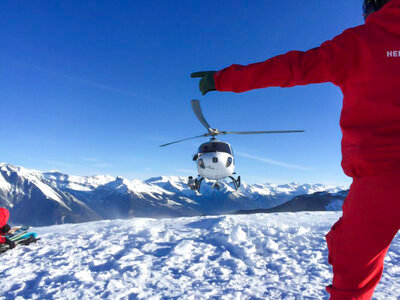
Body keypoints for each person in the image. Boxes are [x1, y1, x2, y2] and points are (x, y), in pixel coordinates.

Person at [192, 0, 398, 298]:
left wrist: (223, 79)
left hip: (380, 181)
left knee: (352, 276)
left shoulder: (360, 43)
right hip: (378, 180)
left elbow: (292, 67)